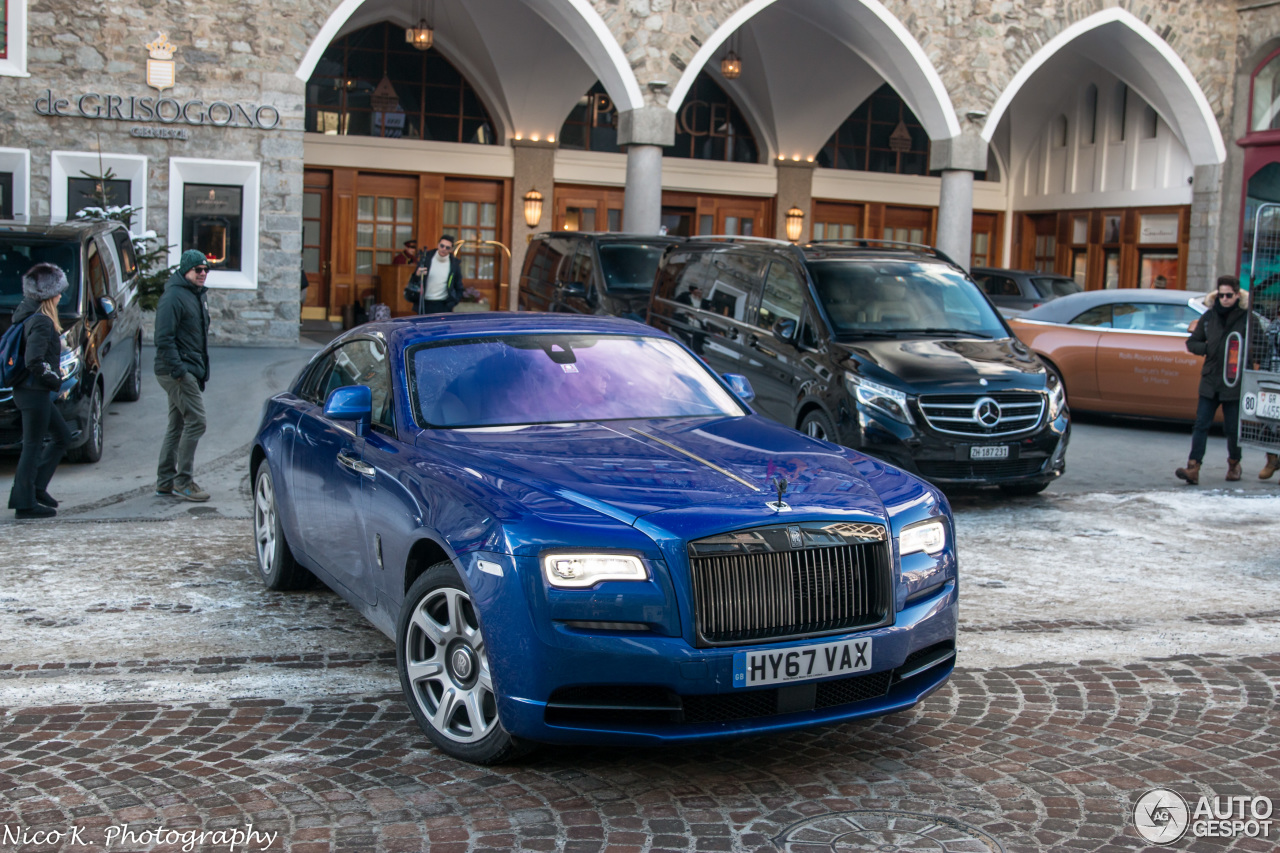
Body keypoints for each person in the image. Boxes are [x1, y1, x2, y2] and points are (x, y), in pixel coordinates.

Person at [1175, 276, 1264, 485]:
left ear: (1237, 295)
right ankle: (1193, 467)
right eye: (1221, 295)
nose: (1224, 299)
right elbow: (1192, 343)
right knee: (1201, 424)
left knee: (1232, 427)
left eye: (1229, 295)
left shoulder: (1247, 319)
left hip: (1234, 380)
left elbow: (1260, 345)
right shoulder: (1209, 317)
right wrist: (1208, 349)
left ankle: (1234, 463)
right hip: (1210, 379)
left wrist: (1248, 360)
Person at [6, 263, 72, 519]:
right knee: (33, 446)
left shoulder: (27, 313)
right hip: (33, 392)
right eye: (58, 291)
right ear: (48, 295)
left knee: (62, 436)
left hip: (29, 391)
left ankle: (36, 488)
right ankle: (25, 503)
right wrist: (54, 378)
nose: (60, 296)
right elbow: (34, 359)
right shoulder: (42, 321)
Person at [154, 250, 212, 502]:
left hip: (188, 368)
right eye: (198, 270)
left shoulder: (196, 295)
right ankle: (183, 481)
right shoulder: (173, 297)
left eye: (206, 269)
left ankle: (166, 482)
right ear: (185, 270)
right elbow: (163, 339)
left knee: (177, 425)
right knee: (197, 421)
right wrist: (179, 371)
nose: (202, 274)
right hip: (175, 371)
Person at [413, 234, 464, 315]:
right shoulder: (426, 258)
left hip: (443, 305)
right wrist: (417, 275)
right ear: (438, 245)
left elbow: (459, 287)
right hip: (424, 303)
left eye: (447, 248)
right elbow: (414, 280)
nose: (444, 249)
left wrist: (451, 304)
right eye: (442, 246)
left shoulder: (454, 264)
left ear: (451, 250)